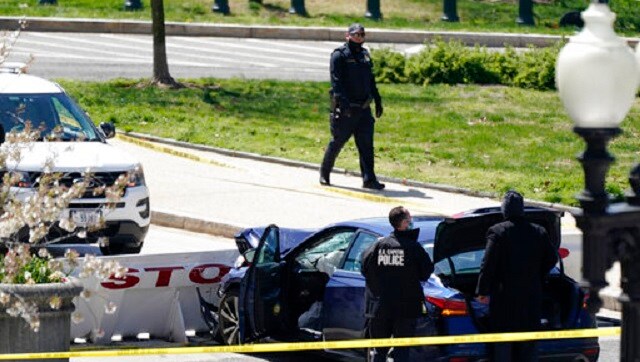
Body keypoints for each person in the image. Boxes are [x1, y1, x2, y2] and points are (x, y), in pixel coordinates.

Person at [475, 191, 558, 362]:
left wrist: (482, 291)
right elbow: (551, 258)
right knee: (528, 349)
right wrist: (537, 275)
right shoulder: (539, 231)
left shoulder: (498, 232)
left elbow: (488, 264)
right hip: (531, 299)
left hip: (505, 300)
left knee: (503, 348)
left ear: (504, 210)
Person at [361, 206, 434, 362]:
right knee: (402, 352)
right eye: (410, 219)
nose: (412, 222)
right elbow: (426, 272)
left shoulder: (377, 246)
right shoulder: (413, 248)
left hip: (379, 308)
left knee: (378, 351)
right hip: (405, 309)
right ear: (404, 223)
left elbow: (364, 268)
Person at [320, 23, 385, 190]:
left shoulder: (364, 55)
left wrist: (377, 99)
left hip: (363, 109)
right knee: (337, 142)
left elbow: (370, 80)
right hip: (346, 110)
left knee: (366, 145)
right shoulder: (339, 55)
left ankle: (369, 179)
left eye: (362, 35)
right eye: (356, 34)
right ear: (347, 35)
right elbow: (336, 83)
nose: (359, 37)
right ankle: (324, 173)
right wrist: (344, 104)